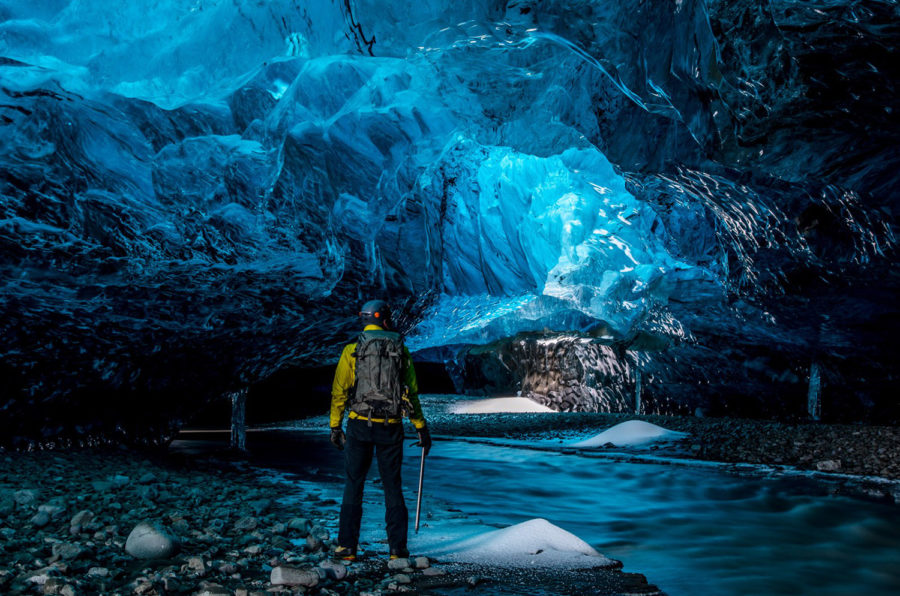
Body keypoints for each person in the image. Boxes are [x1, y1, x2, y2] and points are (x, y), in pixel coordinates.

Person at [329, 299, 432, 561]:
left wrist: (334, 426)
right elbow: (411, 393)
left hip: (359, 424)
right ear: (384, 319)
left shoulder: (352, 350)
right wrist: (420, 427)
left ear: (364, 319)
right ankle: (397, 550)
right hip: (391, 426)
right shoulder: (401, 350)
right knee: (392, 486)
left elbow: (339, 392)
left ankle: (347, 548)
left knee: (354, 484)